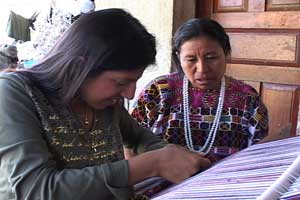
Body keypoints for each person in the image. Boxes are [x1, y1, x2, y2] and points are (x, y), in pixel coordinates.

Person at [0, 9, 211, 200]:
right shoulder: (14, 93)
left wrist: (172, 156)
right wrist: (153, 163)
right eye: (121, 82)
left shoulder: (103, 103)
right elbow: (36, 190)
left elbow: (138, 136)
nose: (129, 95)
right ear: (81, 67)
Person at [130, 18, 269, 163]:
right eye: (191, 60)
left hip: (228, 184)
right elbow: (129, 145)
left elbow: (259, 154)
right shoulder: (159, 92)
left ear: (226, 54)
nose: (202, 69)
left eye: (211, 58)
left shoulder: (247, 98)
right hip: (160, 184)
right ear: (179, 57)